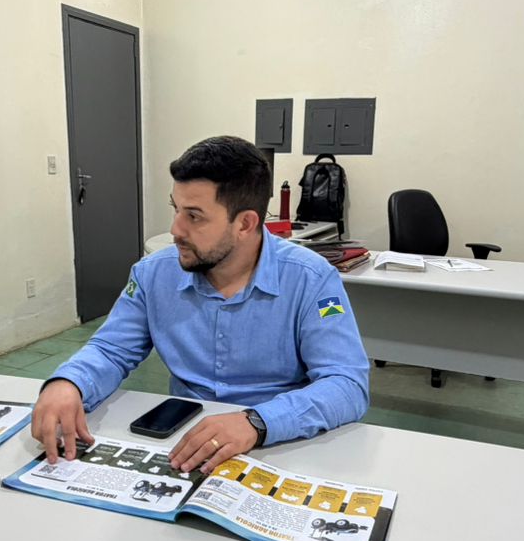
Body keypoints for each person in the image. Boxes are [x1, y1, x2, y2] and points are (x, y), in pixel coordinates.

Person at [31, 136, 369, 475]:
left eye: (194, 216)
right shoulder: (153, 274)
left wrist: (257, 421)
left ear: (245, 224)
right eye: (176, 209)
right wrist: (68, 383)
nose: (175, 229)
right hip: (182, 443)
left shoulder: (312, 279)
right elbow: (110, 350)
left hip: (282, 446)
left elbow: (346, 384)